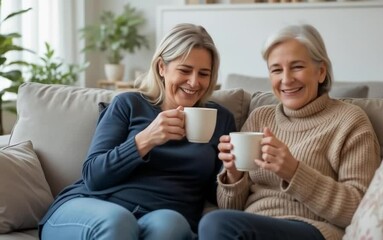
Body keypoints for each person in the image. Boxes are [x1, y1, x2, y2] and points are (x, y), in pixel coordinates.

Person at [40, 23, 236, 240]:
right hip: (94, 207)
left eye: (204, 74)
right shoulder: (129, 104)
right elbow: (93, 176)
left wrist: (232, 173)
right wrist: (146, 139)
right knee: (118, 222)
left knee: (171, 226)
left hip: (160, 217)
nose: (194, 82)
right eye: (185, 70)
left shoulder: (220, 119)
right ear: (162, 67)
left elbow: (214, 194)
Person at [198, 24, 381, 240]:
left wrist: (293, 171)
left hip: (312, 229)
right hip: (252, 226)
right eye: (276, 70)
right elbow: (230, 207)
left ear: (321, 71)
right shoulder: (260, 117)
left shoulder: (349, 121)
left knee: (215, 224)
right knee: (215, 223)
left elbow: (358, 209)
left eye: (297, 67)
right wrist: (234, 174)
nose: (286, 79)